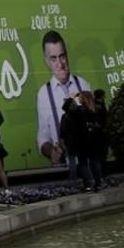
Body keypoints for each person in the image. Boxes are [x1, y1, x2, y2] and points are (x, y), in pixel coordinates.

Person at [35, 30, 91, 169]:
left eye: (62, 56)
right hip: (63, 166)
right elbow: (43, 137)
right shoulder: (43, 94)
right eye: (53, 58)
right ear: (46, 61)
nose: (60, 64)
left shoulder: (83, 84)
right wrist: (51, 152)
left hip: (88, 161)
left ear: (67, 55)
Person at [59, 93, 99, 191]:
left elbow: (64, 107)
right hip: (87, 141)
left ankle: (88, 183)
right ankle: (95, 182)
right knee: (91, 162)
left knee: (83, 163)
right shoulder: (85, 111)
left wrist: (72, 97)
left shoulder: (73, 113)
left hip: (77, 143)